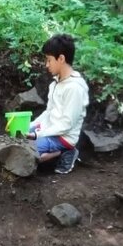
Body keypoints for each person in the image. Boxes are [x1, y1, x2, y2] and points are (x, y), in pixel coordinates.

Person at [27, 34, 88, 175]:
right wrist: (30, 127)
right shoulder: (55, 83)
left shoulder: (74, 88)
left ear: (61, 59)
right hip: (51, 128)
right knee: (18, 137)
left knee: (28, 152)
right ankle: (49, 148)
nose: (46, 65)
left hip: (63, 137)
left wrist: (37, 135)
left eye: (49, 60)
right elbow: (48, 112)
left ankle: (64, 152)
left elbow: (66, 125)